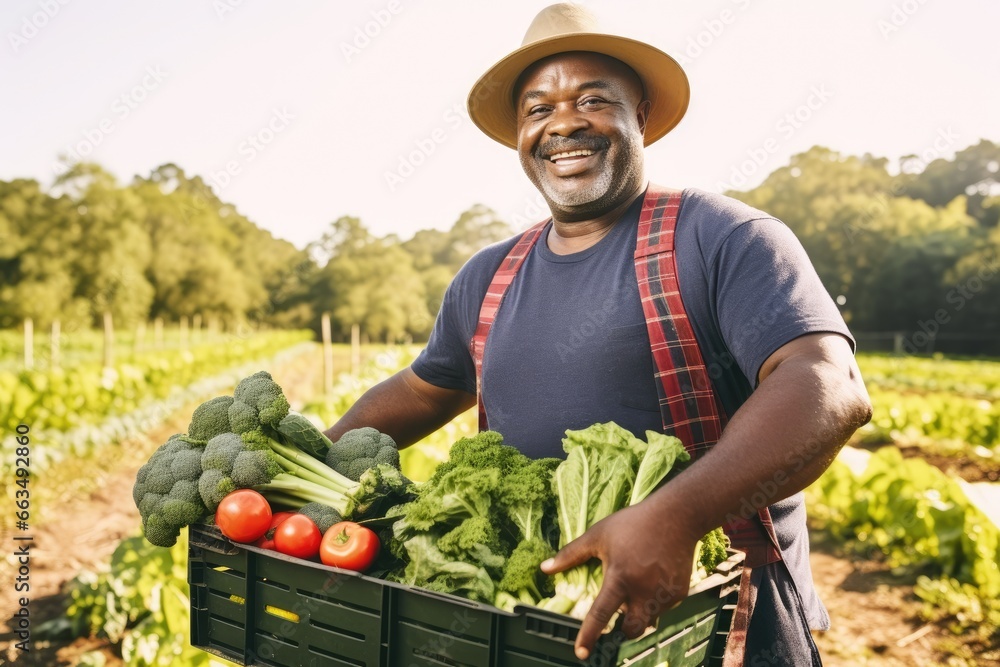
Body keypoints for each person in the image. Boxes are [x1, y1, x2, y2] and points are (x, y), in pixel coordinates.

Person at [324, 4, 872, 665]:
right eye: (537, 108)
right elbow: (421, 390)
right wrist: (302, 463)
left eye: (591, 99)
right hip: (537, 625)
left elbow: (827, 384)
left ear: (639, 113)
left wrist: (678, 513)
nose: (563, 122)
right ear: (520, 135)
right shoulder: (487, 277)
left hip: (710, 624)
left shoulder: (721, 238)